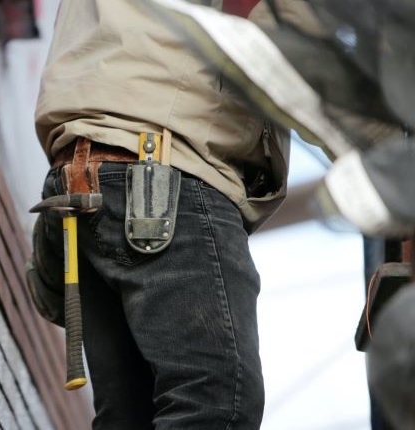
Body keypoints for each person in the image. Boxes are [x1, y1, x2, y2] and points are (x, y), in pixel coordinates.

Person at [29, 1, 302, 429]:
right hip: (160, 173)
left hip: (85, 173)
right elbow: (292, 37)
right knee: (216, 400)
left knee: (130, 416)